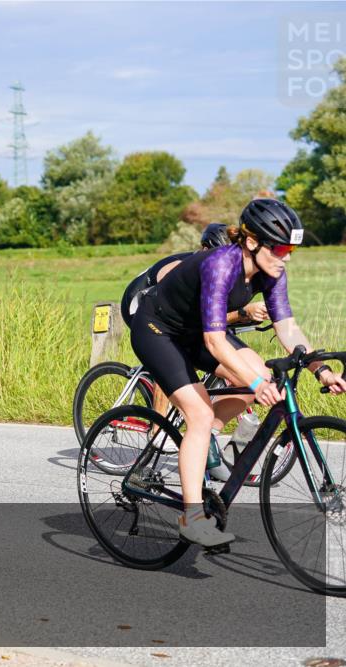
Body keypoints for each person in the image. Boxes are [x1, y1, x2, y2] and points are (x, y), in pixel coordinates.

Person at [130, 198, 346, 547]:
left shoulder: (272, 271)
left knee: (261, 378)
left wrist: (319, 369)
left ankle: (203, 437)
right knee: (203, 411)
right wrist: (255, 382)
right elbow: (216, 342)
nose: (286, 256)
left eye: (291, 249)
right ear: (251, 242)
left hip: (196, 332)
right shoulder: (220, 264)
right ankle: (193, 517)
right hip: (158, 330)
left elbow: (287, 327)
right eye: (279, 248)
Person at [119, 222, 263, 481]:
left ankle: (207, 438)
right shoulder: (185, 265)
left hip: (191, 324)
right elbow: (188, 313)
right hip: (144, 310)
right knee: (174, 362)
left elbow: (213, 314)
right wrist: (241, 314)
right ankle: (158, 429)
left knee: (248, 372)